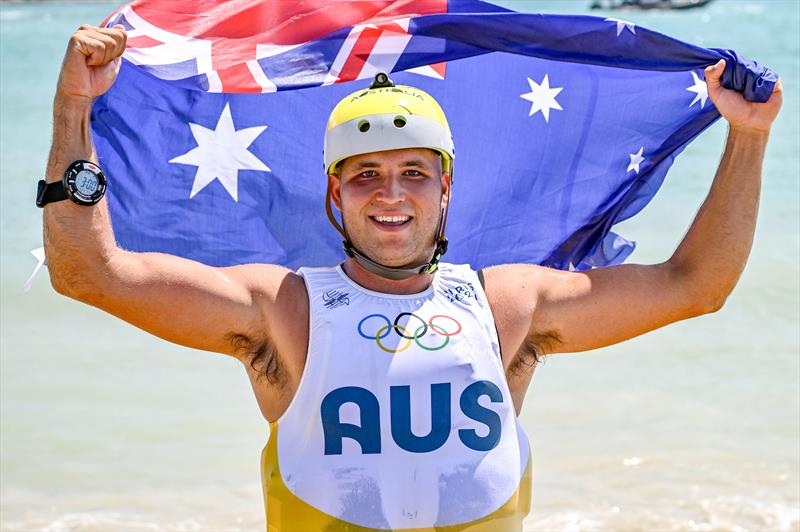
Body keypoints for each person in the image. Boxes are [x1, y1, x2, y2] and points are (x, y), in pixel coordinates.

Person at [40, 25, 781, 531]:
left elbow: (696, 286)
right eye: (365, 176)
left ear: (446, 187)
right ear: (335, 194)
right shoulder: (281, 310)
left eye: (413, 174)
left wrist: (747, 138)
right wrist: (74, 109)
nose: (390, 194)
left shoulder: (507, 306)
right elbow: (92, 274)